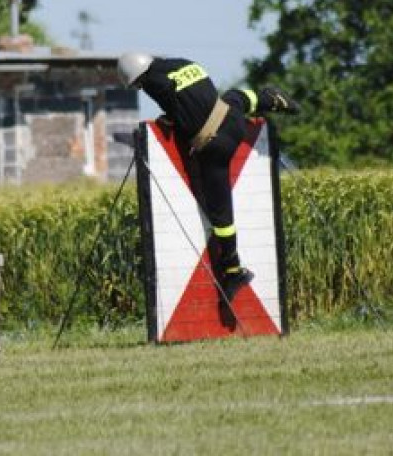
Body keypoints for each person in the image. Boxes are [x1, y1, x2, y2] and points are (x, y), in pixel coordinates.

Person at [117, 52, 299, 307]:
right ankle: (271, 99)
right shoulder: (181, 63)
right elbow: (193, 99)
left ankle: (234, 270)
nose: (139, 88)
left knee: (221, 213)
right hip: (233, 119)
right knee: (234, 97)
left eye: (136, 84)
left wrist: (167, 121)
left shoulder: (152, 82)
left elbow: (178, 116)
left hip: (216, 145)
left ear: (138, 76)